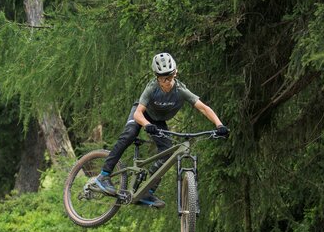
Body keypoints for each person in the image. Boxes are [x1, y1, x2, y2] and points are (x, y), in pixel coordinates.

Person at [94, 52, 229, 208]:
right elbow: (138, 113)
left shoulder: (180, 89)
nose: (167, 82)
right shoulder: (152, 88)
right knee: (130, 134)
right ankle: (104, 175)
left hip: (157, 121)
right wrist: (146, 125)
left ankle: (148, 191)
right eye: (163, 78)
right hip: (142, 114)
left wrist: (219, 125)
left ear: (175, 73)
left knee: (167, 152)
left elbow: (203, 108)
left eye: (170, 77)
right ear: (157, 77)